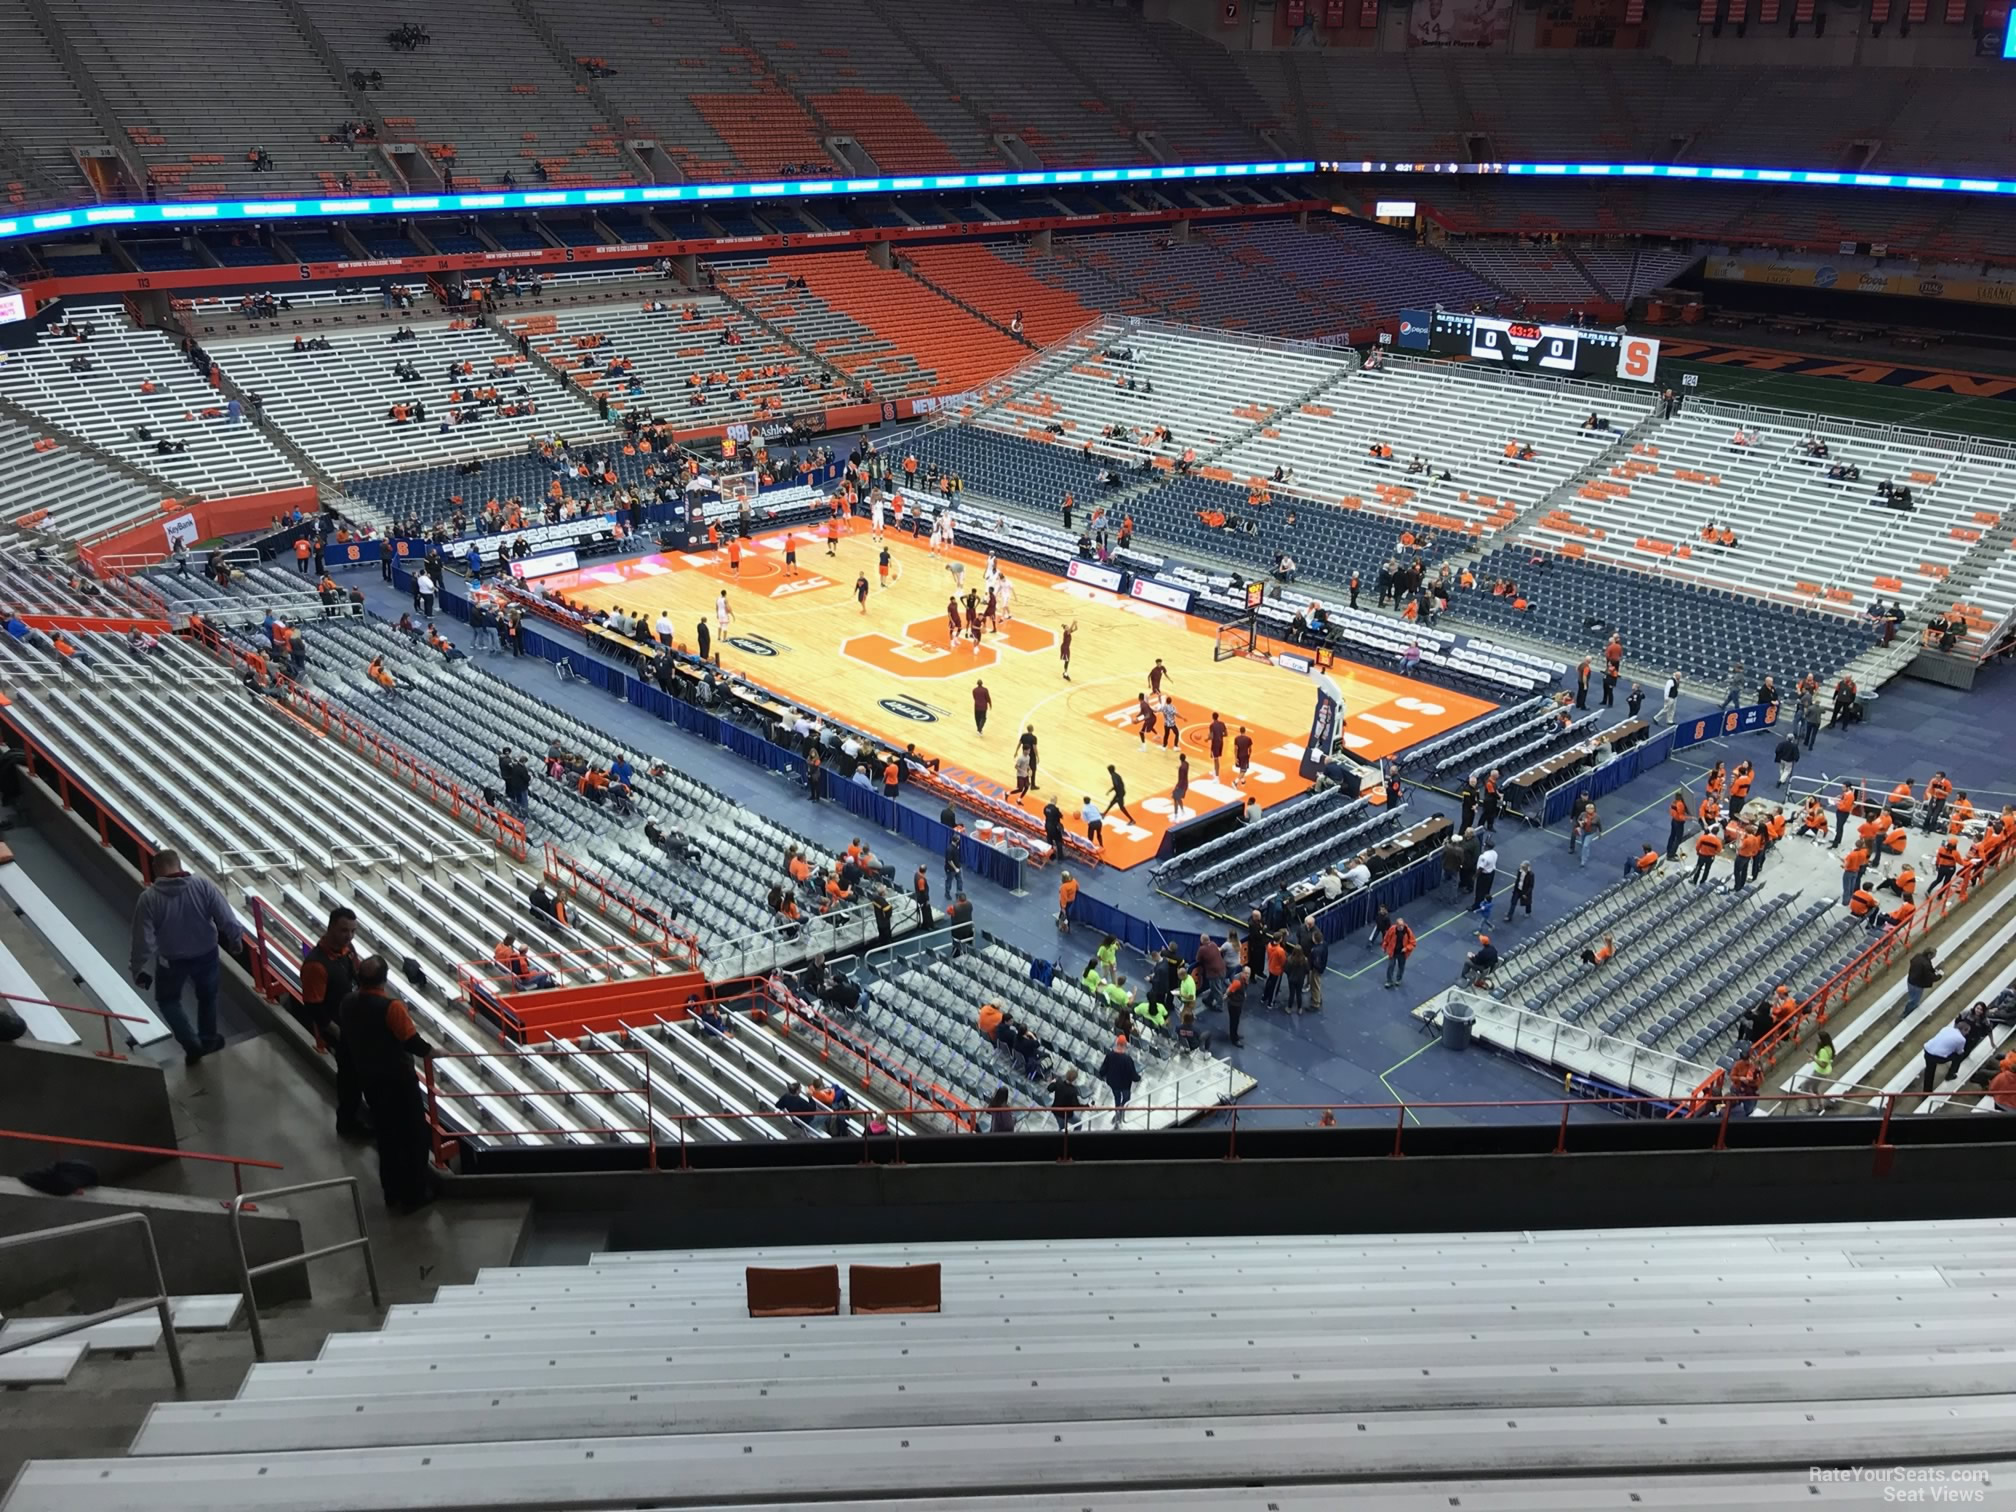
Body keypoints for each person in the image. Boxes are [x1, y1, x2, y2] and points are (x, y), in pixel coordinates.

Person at [338, 954, 435, 1213]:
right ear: (385, 978)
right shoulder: (392, 1007)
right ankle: (414, 1194)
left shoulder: (347, 1002)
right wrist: (432, 1052)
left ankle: (391, 1192)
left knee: (386, 1137)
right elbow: (412, 1043)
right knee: (414, 1136)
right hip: (398, 1081)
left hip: (369, 1079)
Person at [129, 849, 241, 1065]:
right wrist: (235, 940)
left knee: (168, 1000)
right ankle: (208, 1040)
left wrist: (137, 968)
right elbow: (226, 917)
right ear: (179, 865)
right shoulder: (203, 885)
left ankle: (191, 1044)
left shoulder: (149, 899)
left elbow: (143, 940)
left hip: (171, 960)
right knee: (207, 997)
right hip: (206, 953)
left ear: (155, 869)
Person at [299, 906, 367, 1139]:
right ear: (330, 928)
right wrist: (338, 1033)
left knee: (357, 1074)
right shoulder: (315, 966)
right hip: (339, 1029)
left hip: (353, 1023)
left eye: (352, 931)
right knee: (349, 1078)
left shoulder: (347, 951)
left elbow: (357, 977)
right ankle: (347, 1123)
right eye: (343, 930)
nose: (348, 936)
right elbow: (314, 1007)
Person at [1099, 1036, 1140, 1125]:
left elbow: (1103, 1069)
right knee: (1126, 1098)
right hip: (1125, 1084)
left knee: (1117, 1097)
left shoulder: (1110, 1055)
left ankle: (1117, 1111)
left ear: (1117, 1044)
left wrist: (1102, 1075)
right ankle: (1120, 1111)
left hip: (1113, 1082)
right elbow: (1132, 1073)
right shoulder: (1127, 1059)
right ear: (1125, 1045)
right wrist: (1138, 1078)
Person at [1922, 1018, 1968, 1095]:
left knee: (1929, 1071)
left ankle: (1926, 1091)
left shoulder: (1946, 1028)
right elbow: (1959, 1052)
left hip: (1927, 1051)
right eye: (1967, 1031)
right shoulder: (1961, 1039)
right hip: (1938, 1057)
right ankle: (1951, 1073)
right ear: (1964, 1030)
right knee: (1960, 1056)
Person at [1905, 947, 1941, 1017]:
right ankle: (1906, 1013)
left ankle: (1910, 1009)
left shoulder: (1918, 956)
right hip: (1917, 984)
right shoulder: (1926, 964)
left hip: (1910, 980)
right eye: (1933, 956)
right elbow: (1929, 976)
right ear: (1929, 955)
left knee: (1912, 996)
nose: (1933, 957)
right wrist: (1938, 976)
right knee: (1914, 1000)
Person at [1381, 915, 1415, 988]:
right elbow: (1386, 938)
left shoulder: (1407, 931)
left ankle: (1398, 980)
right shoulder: (1392, 929)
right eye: (1399, 926)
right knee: (1390, 966)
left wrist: (1406, 948)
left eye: (1402, 925)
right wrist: (1384, 946)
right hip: (1393, 952)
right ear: (1396, 925)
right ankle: (1389, 981)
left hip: (1402, 953)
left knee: (1401, 967)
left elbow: (1413, 943)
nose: (1401, 927)